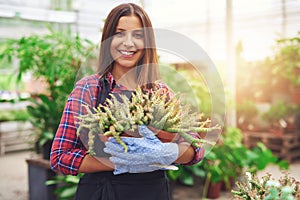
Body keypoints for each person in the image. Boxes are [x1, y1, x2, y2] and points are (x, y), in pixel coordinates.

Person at [50, 3, 204, 200]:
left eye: (138, 35)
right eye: (119, 33)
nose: (128, 43)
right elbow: (60, 157)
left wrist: (166, 153)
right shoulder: (89, 88)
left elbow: (196, 149)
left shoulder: (160, 92)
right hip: (103, 193)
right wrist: (118, 161)